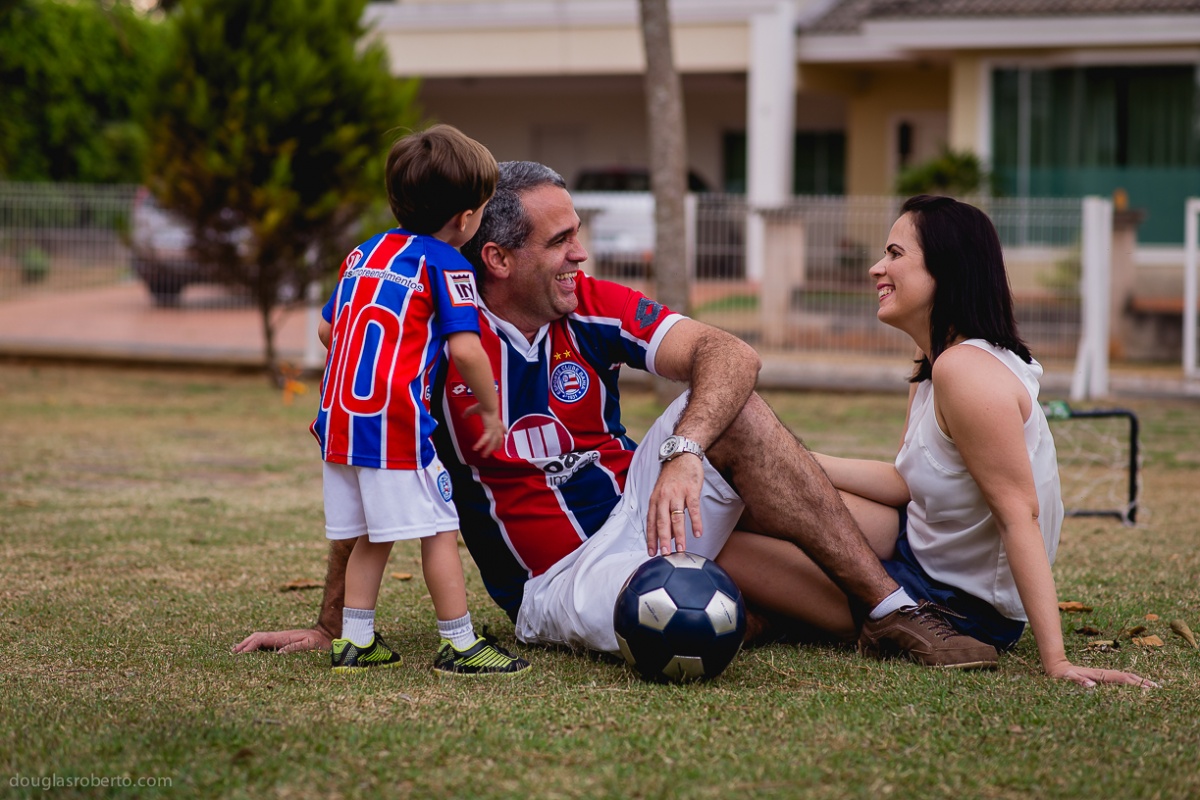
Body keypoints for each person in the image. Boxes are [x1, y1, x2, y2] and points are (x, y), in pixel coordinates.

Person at [235, 162, 1001, 670]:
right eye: (562, 240)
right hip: (559, 577)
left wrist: (685, 448)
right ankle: (772, 601)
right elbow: (369, 462)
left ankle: (895, 611)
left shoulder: (587, 305)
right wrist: (333, 621)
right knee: (690, 618)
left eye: (580, 233)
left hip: (643, 507)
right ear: (497, 260)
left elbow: (730, 354)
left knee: (744, 420)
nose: (583, 255)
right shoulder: (437, 337)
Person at [719, 195, 1156, 689]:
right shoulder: (935, 364)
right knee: (746, 501)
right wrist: (793, 462)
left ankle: (784, 614)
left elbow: (1020, 514)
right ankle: (778, 608)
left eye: (895, 254)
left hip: (955, 606)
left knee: (722, 547)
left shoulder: (965, 371)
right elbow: (905, 482)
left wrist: (1056, 661)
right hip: (913, 544)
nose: (875, 268)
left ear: (947, 270)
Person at [312, 124, 529, 677]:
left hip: (340, 425)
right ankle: (459, 644)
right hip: (394, 425)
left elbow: (325, 329)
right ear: (465, 219)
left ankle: (355, 640)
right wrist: (490, 407)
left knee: (370, 534)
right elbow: (466, 348)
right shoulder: (447, 262)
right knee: (440, 529)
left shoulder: (364, 252)